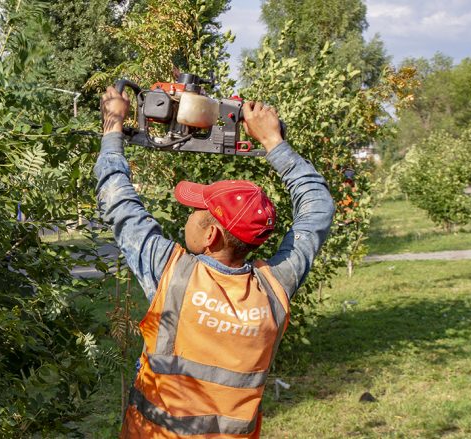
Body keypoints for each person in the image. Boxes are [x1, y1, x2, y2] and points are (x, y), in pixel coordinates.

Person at [95, 86, 335, 438]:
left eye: (197, 210)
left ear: (211, 236)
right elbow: (318, 207)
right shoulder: (275, 287)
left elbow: (116, 198)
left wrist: (112, 124)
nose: (189, 214)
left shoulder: (173, 274)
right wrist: (274, 142)